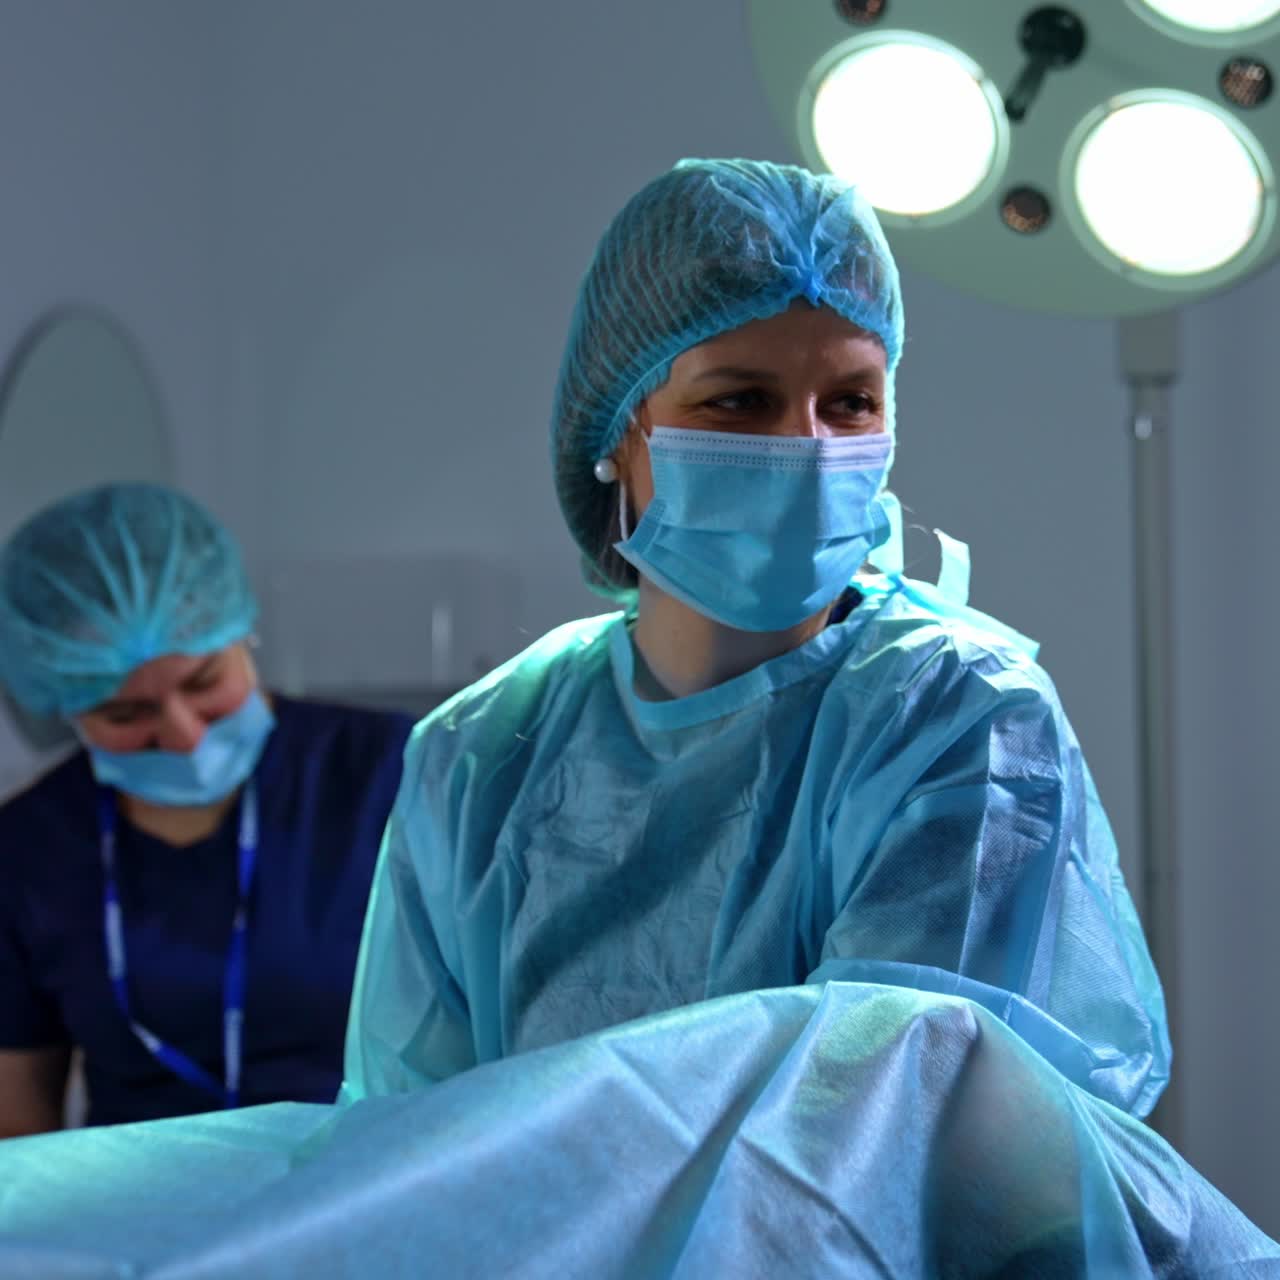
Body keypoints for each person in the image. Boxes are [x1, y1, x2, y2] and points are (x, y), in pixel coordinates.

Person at [341, 156, 1169, 1117]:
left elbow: (881, 1146)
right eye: (738, 402)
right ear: (617, 430)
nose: (807, 450)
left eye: (851, 402)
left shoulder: (958, 716)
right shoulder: (481, 755)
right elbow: (405, 1144)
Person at [0, 483, 413, 1134]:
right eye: (124, 713)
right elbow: (17, 1117)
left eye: (204, 684)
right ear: (62, 705)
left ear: (239, 632)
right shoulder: (29, 849)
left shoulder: (391, 772)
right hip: (137, 1220)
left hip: (366, 1193)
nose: (185, 734)